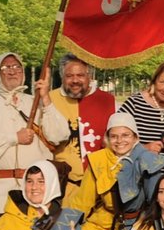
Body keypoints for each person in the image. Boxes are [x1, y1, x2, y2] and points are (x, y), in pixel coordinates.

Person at [59, 109, 164, 230]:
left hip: (139, 226)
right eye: (114, 136)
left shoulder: (147, 160)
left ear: (135, 137)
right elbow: (81, 202)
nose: (119, 141)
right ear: (108, 138)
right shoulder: (98, 161)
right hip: (101, 225)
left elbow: (158, 201)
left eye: (125, 135)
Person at [0, 51, 70, 216]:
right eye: (6, 67)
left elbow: (59, 135)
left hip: (37, 189)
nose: (12, 71)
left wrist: (45, 98)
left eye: (17, 67)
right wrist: (13, 138)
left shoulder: (36, 102)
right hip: (1, 190)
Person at [46, 53, 117, 186]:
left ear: (89, 76)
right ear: (62, 77)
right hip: (63, 183)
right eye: (69, 76)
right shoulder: (49, 100)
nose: (75, 80)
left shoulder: (108, 101)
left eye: (80, 75)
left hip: (100, 182)